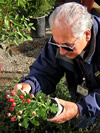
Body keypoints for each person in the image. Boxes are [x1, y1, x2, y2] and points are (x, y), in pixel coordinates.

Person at [14, 2, 100, 129]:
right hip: (82, 94)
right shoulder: (61, 40)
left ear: (87, 35)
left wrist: (79, 108)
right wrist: (30, 85)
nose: (61, 52)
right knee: (80, 124)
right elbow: (45, 71)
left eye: (67, 46)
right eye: (56, 44)